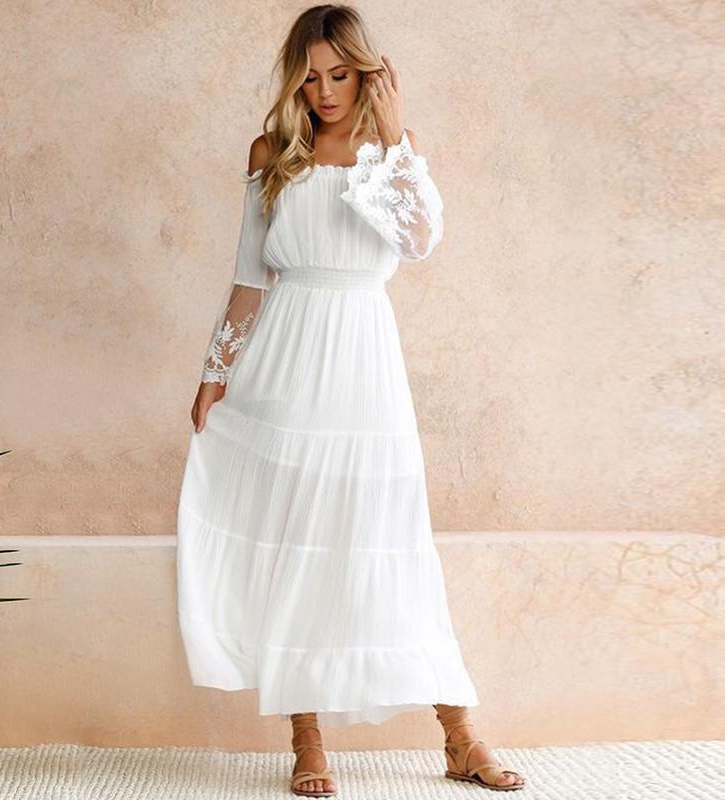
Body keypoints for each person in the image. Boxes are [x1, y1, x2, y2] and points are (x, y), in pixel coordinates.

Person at [177, 4, 525, 795]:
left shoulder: (391, 152)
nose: (326, 91)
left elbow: (420, 240)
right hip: (282, 363)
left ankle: (460, 735)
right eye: (311, 77)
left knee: (388, 540)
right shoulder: (272, 153)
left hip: (364, 360)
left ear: (368, 75)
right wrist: (214, 372)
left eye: (340, 74)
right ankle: (306, 741)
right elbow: (248, 278)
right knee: (293, 537)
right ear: (294, 80)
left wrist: (396, 141)